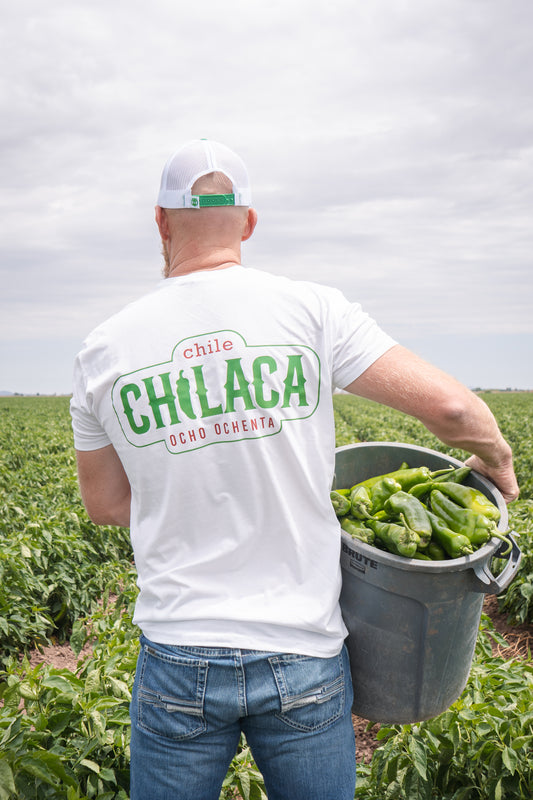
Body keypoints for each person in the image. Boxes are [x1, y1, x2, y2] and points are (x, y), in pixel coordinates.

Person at [70, 139, 519, 800]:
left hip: (179, 648)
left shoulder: (103, 348)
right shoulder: (311, 311)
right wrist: (496, 460)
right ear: (247, 223)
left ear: (161, 222)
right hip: (301, 653)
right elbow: (451, 407)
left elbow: (105, 505)